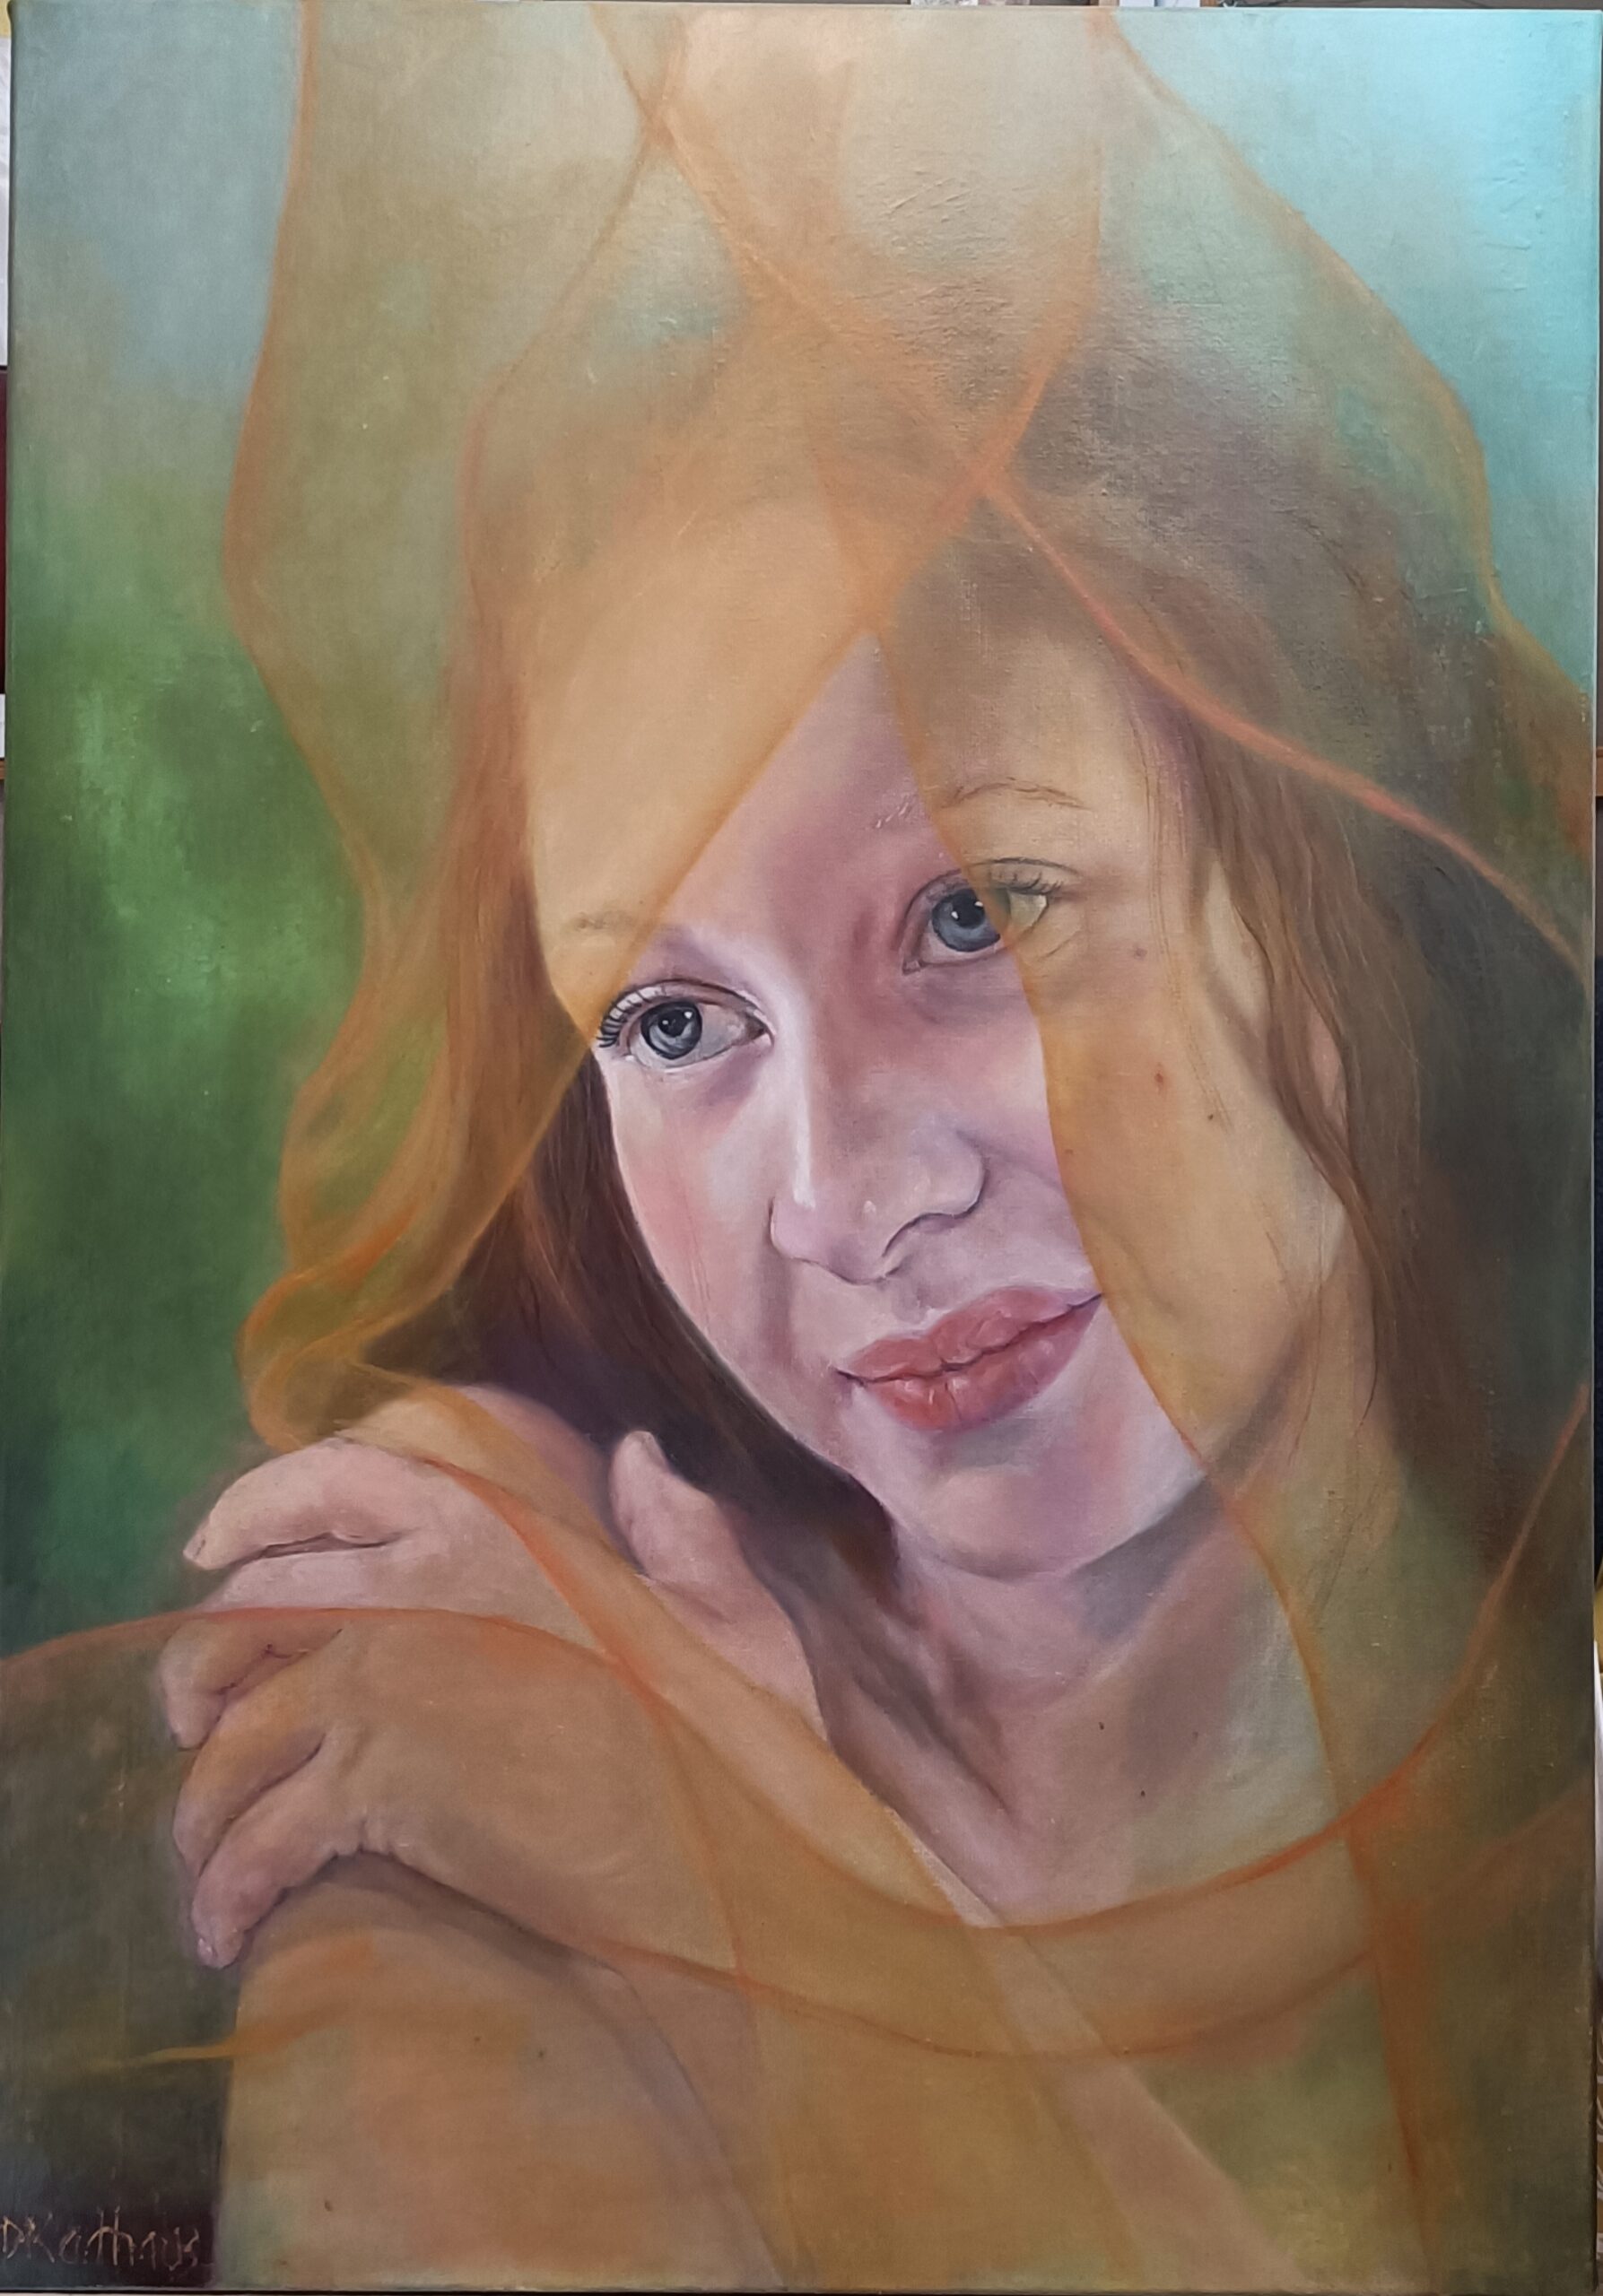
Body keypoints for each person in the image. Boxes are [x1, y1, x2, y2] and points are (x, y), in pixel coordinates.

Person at [124, 6, 1603, 2286]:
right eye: (673, 1018)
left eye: (977, 912)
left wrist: (747, 1881)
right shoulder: (505, 1627)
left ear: (1325, 888)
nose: (841, 1195)